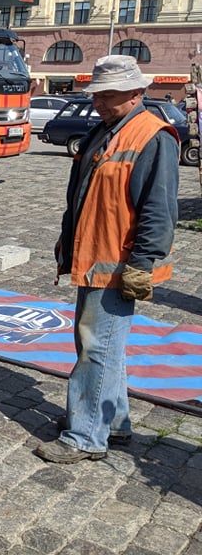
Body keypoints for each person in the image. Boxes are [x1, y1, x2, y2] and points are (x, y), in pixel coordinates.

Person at [34, 55, 179, 464]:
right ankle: (115, 425)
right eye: (97, 95)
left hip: (118, 263)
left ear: (136, 92)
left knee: (96, 349)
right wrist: (68, 240)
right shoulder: (106, 130)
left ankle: (84, 435)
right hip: (94, 254)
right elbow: (82, 194)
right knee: (103, 347)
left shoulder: (153, 136)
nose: (99, 102)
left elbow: (159, 208)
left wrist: (142, 262)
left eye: (108, 96)